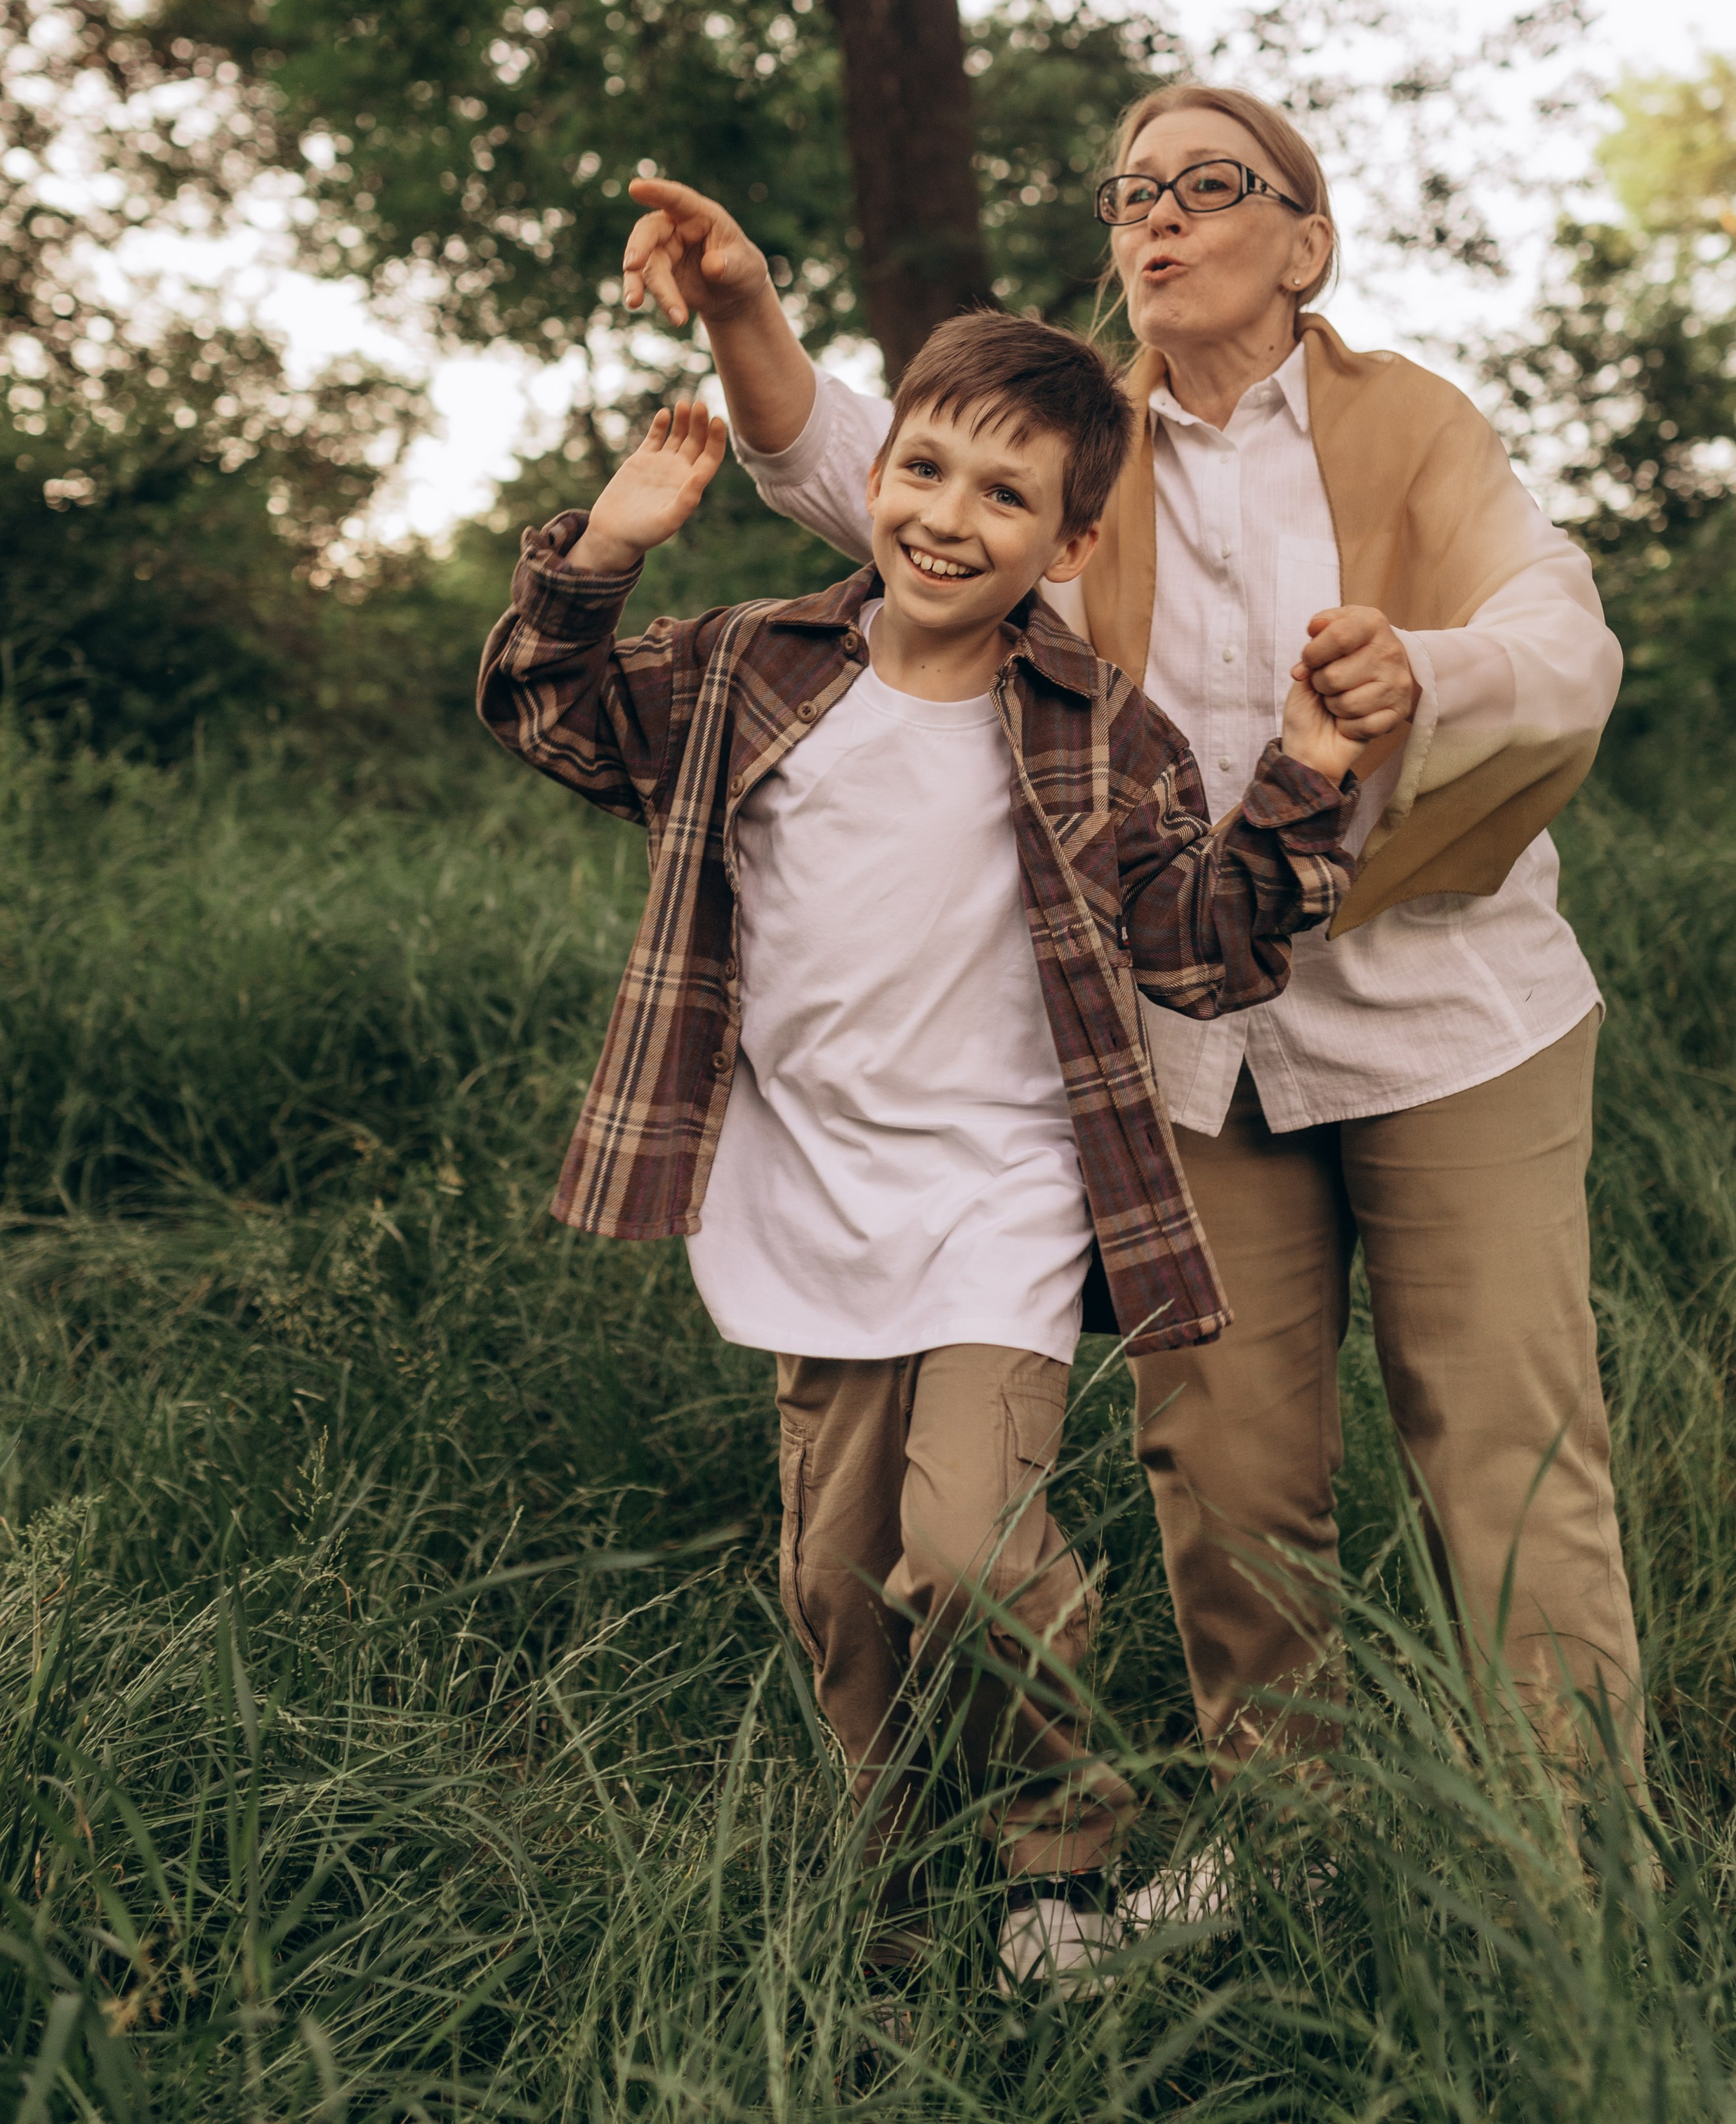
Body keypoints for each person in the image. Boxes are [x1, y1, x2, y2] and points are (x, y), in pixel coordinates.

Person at [619, 91, 1645, 1906]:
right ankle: (1292, 1843)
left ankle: (1577, 1881)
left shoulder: (1416, 424)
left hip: (1453, 1011)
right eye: (1133, 191)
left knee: (1503, 1448)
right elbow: (860, 460)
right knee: (1232, 1480)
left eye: (1211, 187)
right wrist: (741, 311)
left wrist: (1429, 667)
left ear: (1304, 241)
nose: (1159, 217)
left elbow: (1564, 632)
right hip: (1207, 1033)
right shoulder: (1076, 466)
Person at [478, 313, 1359, 1987]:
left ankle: (1057, 1865)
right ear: (874, 476)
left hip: (1001, 1200)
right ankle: (884, 1889)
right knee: (836, 1583)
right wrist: (603, 549)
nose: (950, 517)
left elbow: (1197, 943)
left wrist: (1303, 774)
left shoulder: (1100, 729)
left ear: (1068, 543)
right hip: (807, 1189)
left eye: (1005, 496)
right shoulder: (754, 668)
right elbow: (551, 714)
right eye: (926, 470)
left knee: (964, 1553)